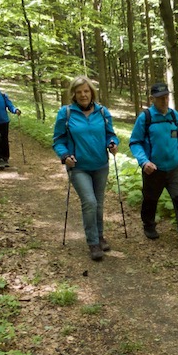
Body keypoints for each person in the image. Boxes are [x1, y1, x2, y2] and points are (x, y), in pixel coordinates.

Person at [53, 76, 120, 262]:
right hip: (78, 167)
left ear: (92, 92)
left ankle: (99, 235)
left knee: (98, 203)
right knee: (89, 202)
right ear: (73, 94)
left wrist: (112, 143)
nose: (83, 95)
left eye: (86, 91)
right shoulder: (65, 113)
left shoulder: (103, 112)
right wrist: (65, 156)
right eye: (79, 91)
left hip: (100, 165)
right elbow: (58, 140)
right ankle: (93, 243)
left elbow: (110, 134)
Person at [129, 82, 178, 253]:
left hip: (175, 168)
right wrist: (144, 161)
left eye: (167, 97)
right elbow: (135, 142)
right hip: (153, 169)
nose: (165, 100)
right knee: (150, 199)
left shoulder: (174, 115)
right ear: (152, 99)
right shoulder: (145, 117)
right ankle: (149, 224)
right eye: (161, 98)